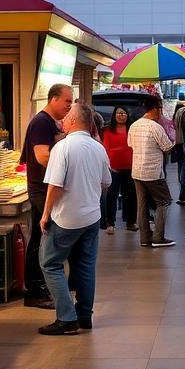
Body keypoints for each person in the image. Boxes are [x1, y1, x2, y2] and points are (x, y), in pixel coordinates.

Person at [38, 104, 112, 336]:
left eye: (67, 116)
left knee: (50, 263)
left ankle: (67, 317)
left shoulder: (63, 147)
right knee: (86, 265)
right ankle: (84, 315)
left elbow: (55, 185)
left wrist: (45, 213)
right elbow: (106, 182)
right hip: (91, 217)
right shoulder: (98, 148)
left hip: (66, 218)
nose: (64, 120)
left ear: (73, 121)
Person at [19, 84, 74, 309]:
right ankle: (36, 290)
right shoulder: (41, 122)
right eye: (67, 101)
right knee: (44, 240)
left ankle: (40, 287)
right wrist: (69, 165)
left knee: (40, 240)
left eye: (71, 102)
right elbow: (42, 157)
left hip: (44, 189)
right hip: (41, 191)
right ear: (53, 99)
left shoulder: (50, 123)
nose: (69, 106)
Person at [129, 94, 177, 248]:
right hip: (153, 171)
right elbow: (167, 147)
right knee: (164, 201)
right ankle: (158, 237)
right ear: (155, 109)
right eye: (160, 109)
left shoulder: (134, 125)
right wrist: (174, 139)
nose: (160, 112)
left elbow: (130, 144)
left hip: (137, 170)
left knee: (141, 204)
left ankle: (144, 238)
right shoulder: (155, 127)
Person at [99, 106, 136, 234]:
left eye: (124, 113)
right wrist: (108, 166)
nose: (121, 115)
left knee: (130, 196)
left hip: (130, 167)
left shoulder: (132, 129)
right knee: (111, 196)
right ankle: (110, 223)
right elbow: (105, 149)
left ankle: (131, 222)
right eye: (119, 113)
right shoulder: (107, 130)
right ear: (115, 115)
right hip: (113, 168)